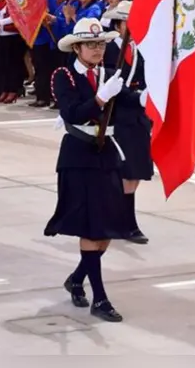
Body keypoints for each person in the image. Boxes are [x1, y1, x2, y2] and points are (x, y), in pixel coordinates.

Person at [46, 18, 139, 323]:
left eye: (101, 44)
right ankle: (99, 298)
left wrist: (152, 97)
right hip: (78, 156)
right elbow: (71, 111)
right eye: (91, 44)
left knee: (108, 229)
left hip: (106, 156)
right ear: (77, 47)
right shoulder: (64, 75)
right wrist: (100, 97)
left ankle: (77, 278)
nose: (98, 49)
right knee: (92, 228)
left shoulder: (109, 74)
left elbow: (130, 102)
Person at [101, 1, 152, 244]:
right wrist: (136, 97)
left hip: (138, 118)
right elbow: (110, 84)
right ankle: (125, 223)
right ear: (119, 24)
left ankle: (123, 219)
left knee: (136, 172)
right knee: (123, 172)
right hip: (118, 116)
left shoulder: (140, 49)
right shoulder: (110, 50)